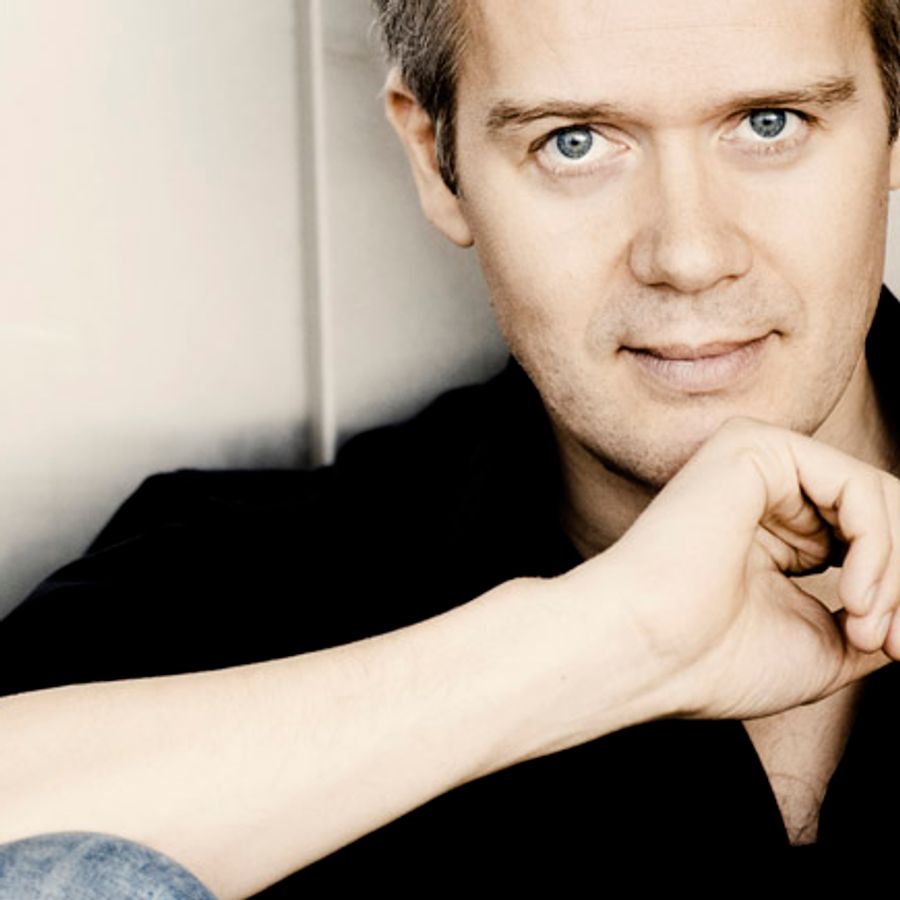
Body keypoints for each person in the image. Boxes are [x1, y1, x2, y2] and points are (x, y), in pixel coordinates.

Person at [2, 0, 900, 895]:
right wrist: (611, 642)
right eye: (574, 142)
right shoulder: (222, 596)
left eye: (771, 123)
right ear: (436, 159)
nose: (690, 256)